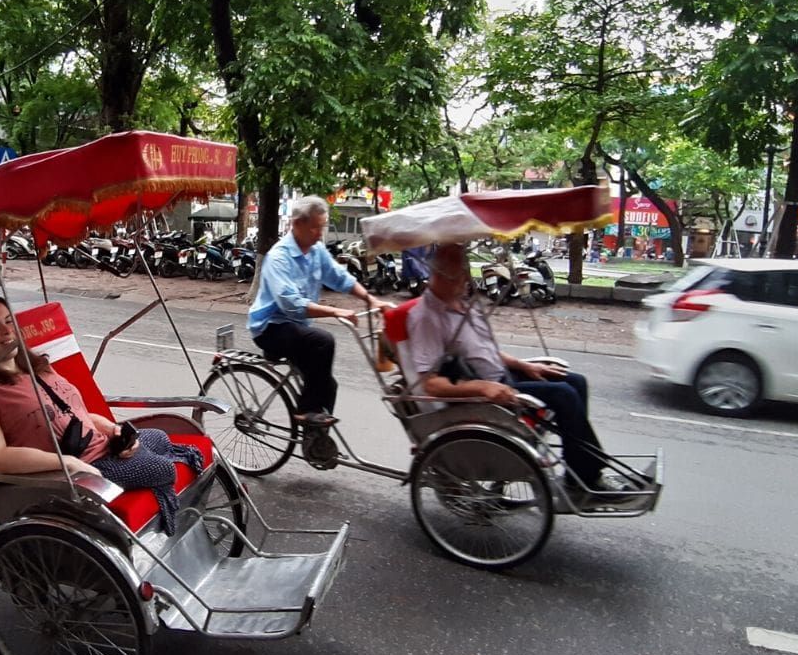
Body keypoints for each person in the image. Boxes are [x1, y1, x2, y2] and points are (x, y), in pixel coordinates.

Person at [0, 296, 200, 533]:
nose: (6, 331)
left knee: (159, 437)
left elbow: (77, 415)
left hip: (100, 447)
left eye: (8, 321)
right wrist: (66, 463)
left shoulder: (37, 368)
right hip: (79, 472)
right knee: (164, 469)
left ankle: (135, 454)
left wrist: (114, 431)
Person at [404, 242, 625, 503]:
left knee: (575, 382)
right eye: (459, 271)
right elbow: (430, 384)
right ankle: (588, 477)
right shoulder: (426, 318)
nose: (466, 278)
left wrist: (525, 365)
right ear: (438, 274)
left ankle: (578, 469)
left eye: (466, 269)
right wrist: (482, 388)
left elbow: (484, 351)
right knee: (563, 395)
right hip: (482, 395)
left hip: (502, 376)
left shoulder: (463, 305)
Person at [248, 195, 391, 426]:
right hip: (270, 328)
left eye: (321, 227)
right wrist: (335, 312)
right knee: (322, 341)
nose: (318, 233)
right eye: (314, 227)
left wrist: (370, 299)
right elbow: (291, 305)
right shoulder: (278, 258)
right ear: (297, 224)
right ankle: (305, 413)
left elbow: (339, 277)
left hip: (296, 328)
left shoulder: (316, 251)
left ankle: (316, 438)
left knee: (328, 384)